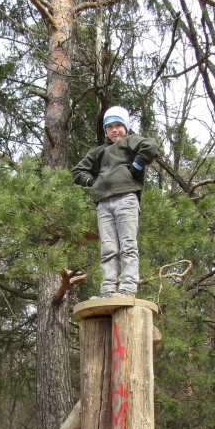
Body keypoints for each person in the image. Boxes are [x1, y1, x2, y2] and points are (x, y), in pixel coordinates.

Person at [72, 106, 159, 298]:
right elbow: (77, 171)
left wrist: (136, 166)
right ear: (105, 129)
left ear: (125, 126)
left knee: (128, 244)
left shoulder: (130, 142)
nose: (114, 130)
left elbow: (151, 146)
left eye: (118, 125)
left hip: (126, 198)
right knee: (108, 248)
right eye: (110, 126)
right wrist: (92, 181)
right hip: (103, 204)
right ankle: (107, 290)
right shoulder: (99, 152)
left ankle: (127, 288)